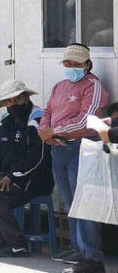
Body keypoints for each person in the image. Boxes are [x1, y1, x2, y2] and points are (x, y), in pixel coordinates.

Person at [38, 43, 108, 273]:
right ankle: (78, 248)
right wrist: (45, 132)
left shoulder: (93, 86)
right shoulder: (60, 86)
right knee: (70, 202)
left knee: (84, 203)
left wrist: (54, 131)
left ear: (86, 64)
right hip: (59, 148)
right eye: (67, 63)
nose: (70, 67)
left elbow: (86, 120)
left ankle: (91, 256)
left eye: (75, 64)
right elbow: (47, 111)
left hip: (81, 147)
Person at [0, 80, 54, 257]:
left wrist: (13, 176)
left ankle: (18, 246)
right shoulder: (6, 123)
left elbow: (38, 158)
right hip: (9, 177)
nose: (12, 105)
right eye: (8, 102)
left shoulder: (37, 119)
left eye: (16, 100)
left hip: (35, 180)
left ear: (25, 98)